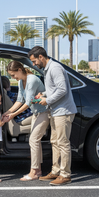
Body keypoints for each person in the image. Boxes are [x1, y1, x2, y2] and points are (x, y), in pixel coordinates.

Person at [28, 46, 77, 186]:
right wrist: (43, 95)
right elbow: (55, 89)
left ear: (41, 57)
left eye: (34, 61)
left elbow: (62, 90)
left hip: (63, 111)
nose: (33, 64)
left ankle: (65, 174)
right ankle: (55, 171)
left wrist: (47, 100)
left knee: (62, 143)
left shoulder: (55, 68)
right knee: (55, 142)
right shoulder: (48, 69)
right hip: (56, 111)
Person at [4, 61, 49, 181]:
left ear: (19, 70)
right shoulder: (20, 82)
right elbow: (19, 100)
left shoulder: (31, 80)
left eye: (13, 75)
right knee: (34, 141)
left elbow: (28, 102)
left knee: (34, 140)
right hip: (36, 113)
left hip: (44, 112)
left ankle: (34, 172)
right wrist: (8, 112)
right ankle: (37, 170)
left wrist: (13, 115)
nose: (13, 78)